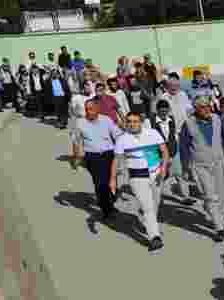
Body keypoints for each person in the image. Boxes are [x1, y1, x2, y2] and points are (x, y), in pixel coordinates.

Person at [112, 111, 169, 252]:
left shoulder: (153, 133)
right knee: (147, 207)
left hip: (156, 174)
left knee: (155, 204)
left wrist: (163, 168)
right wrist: (112, 179)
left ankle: (151, 224)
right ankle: (155, 237)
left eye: (135, 121)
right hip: (137, 177)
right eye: (129, 122)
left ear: (141, 122)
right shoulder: (122, 139)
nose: (132, 124)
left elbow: (164, 152)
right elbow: (116, 160)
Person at [179, 95, 224, 242]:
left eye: (208, 105)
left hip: (219, 162)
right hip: (200, 166)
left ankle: (218, 218)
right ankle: (219, 227)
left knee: (222, 194)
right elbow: (183, 147)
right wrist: (185, 167)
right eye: (202, 106)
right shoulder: (188, 124)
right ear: (196, 108)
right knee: (209, 196)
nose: (207, 108)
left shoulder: (217, 119)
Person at [70, 100, 123, 223]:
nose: (89, 112)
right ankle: (106, 210)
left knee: (112, 183)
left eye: (91, 109)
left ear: (98, 109)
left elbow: (117, 135)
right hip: (93, 157)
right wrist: (77, 158)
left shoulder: (106, 120)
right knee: (100, 184)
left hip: (109, 155)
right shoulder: (80, 123)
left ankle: (110, 202)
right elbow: (76, 141)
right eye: (86, 109)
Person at [147, 99, 191, 207]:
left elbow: (174, 134)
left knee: (179, 174)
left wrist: (175, 148)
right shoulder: (149, 121)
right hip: (158, 154)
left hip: (173, 151)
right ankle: (157, 198)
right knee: (160, 177)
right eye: (162, 111)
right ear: (157, 110)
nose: (164, 113)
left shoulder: (171, 119)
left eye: (166, 111)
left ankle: (186, 196)